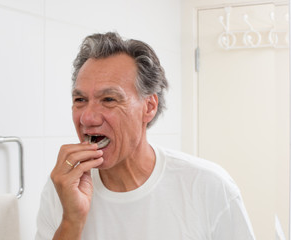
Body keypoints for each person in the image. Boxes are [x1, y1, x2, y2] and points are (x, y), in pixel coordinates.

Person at [35, 32, 255, 240]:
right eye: (80, 100)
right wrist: (71, 221)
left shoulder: (209, 186)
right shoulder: (63, 188)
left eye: (109, 99)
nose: (88, 118)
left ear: (149, 107)